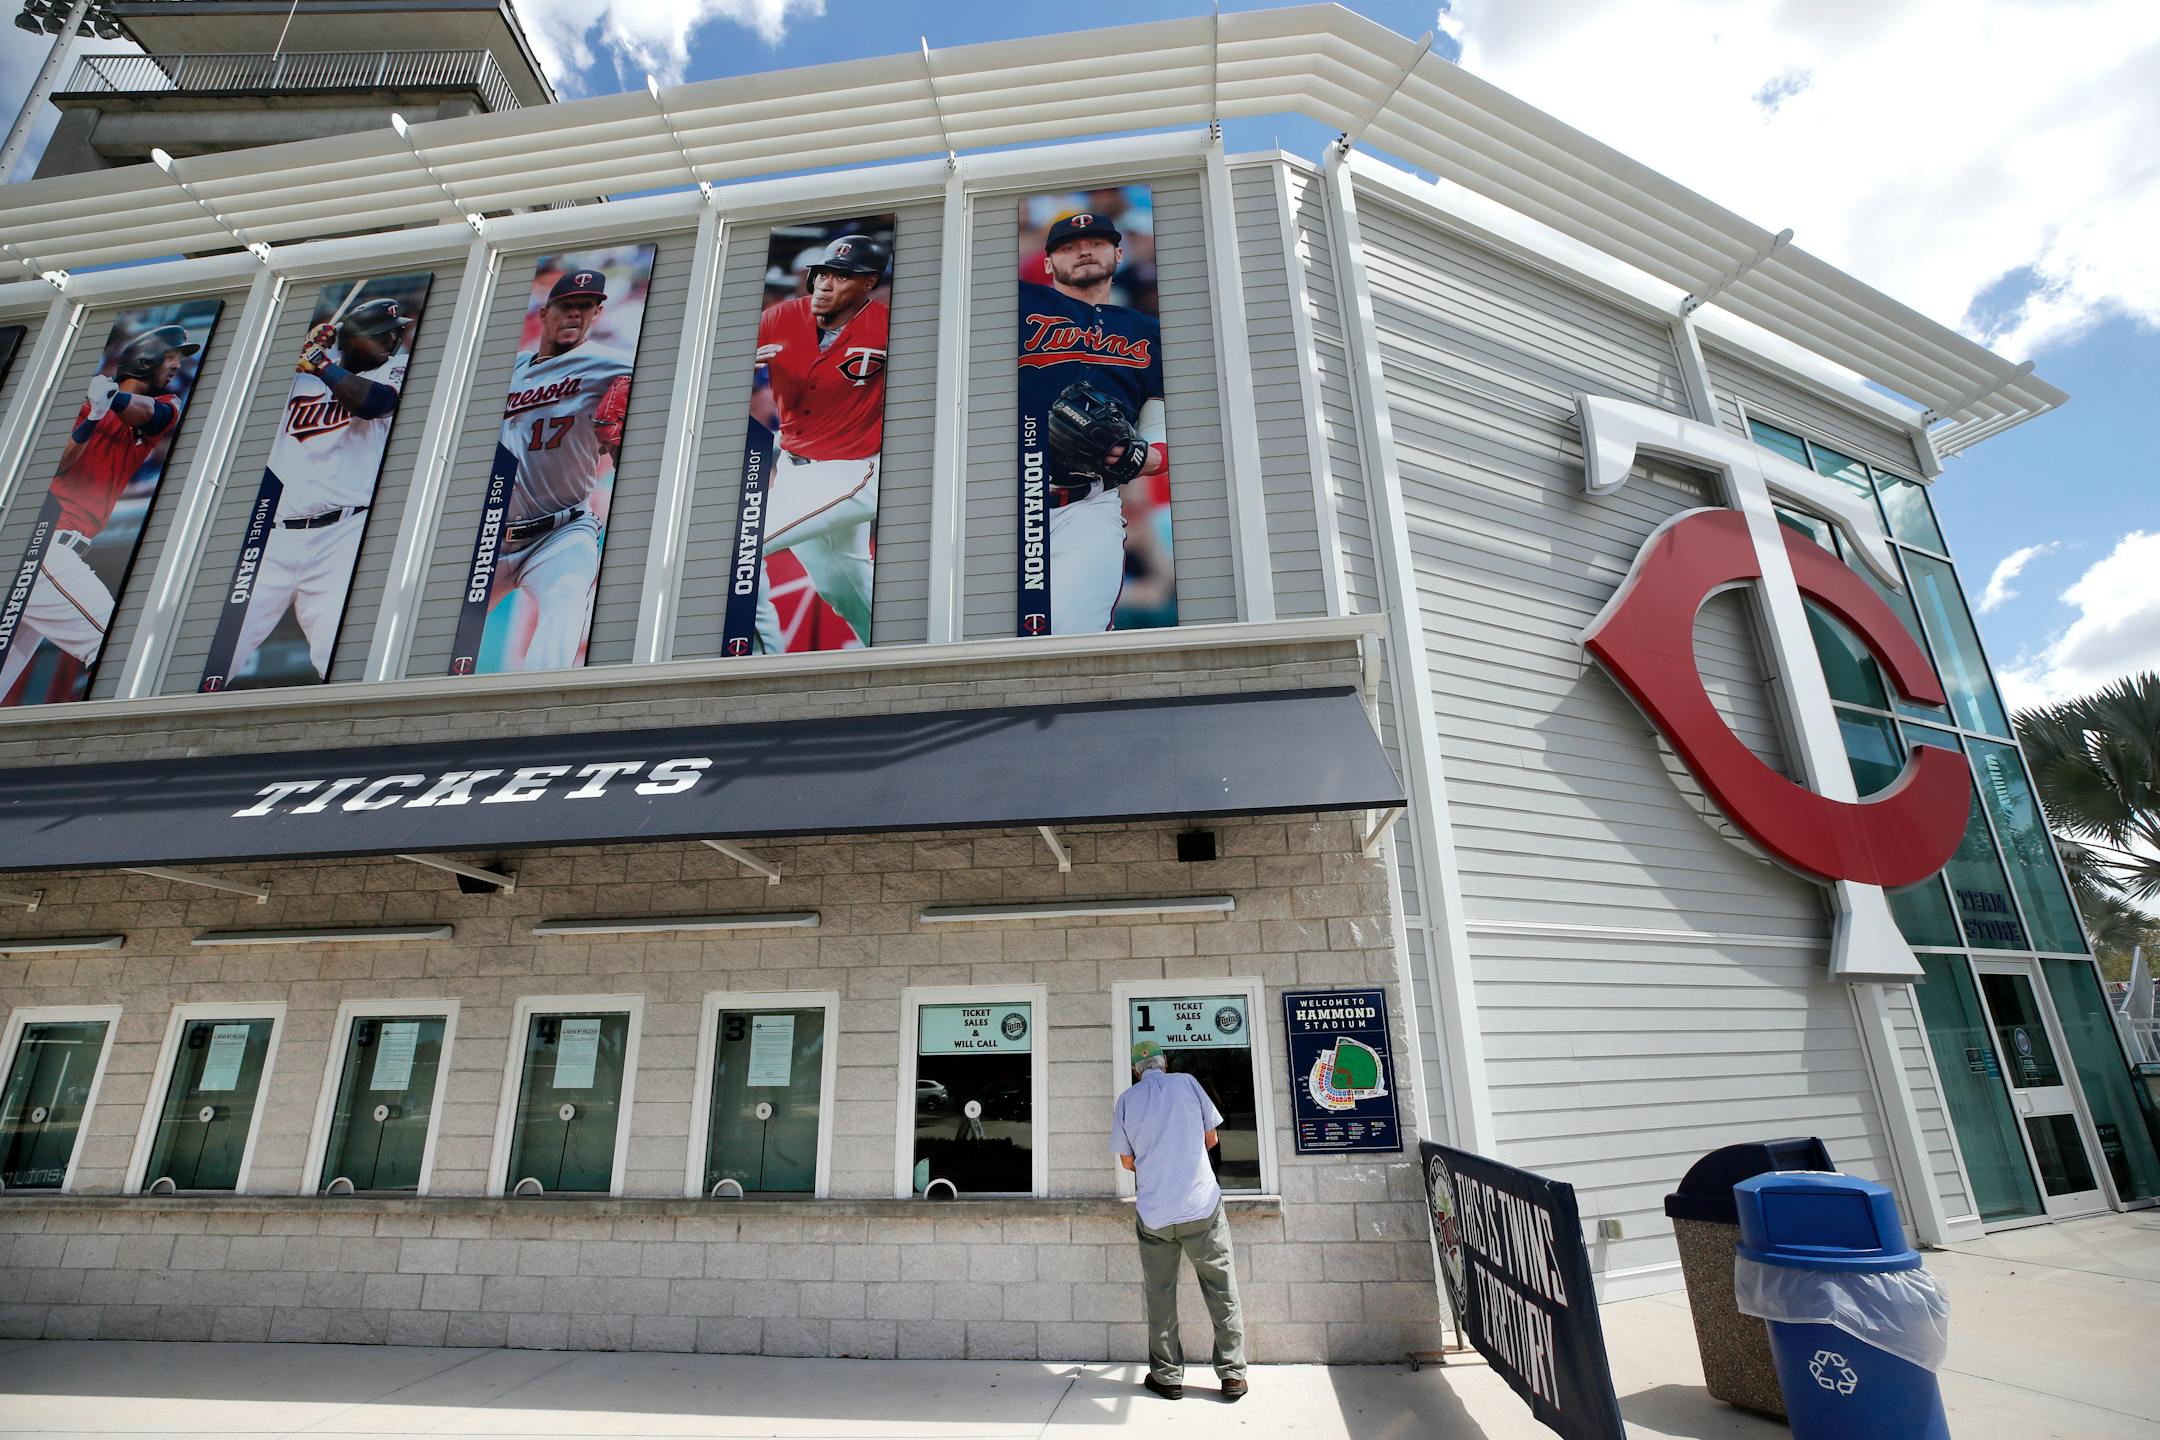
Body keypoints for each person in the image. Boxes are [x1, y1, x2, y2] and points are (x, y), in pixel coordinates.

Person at [217, 297, 412, 685]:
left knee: (337, 655)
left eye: (395, 333)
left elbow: (374, 403)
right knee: (219, 652)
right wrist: (297, 351)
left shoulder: (396, 369)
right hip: (272, 537)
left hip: (342, 534)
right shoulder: (300, 376)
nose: (390, 341)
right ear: (350, 340)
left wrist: (321, 364)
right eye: (379, 336)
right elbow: (241, 389)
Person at [0, 324, 196, 705]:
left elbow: (149, 416)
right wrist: (92, 417)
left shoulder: (167, 405)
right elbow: (56, 466)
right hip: (42, 545)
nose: (176, 365)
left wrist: (112, 402)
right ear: (146, 358)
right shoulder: (85, 405)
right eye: (171, 355)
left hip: (55, 552)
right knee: (114, 644)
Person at [1017, 211, 1167, 634]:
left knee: (1072, 635)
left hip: (1086, 503)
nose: (1083, 250)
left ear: (1119, 253)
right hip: (1001, 503)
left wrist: (1144, 456)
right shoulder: (1018, 305)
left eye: (1097, 243)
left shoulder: (1148, 331)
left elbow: (1158, 424)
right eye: (1067, 247)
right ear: (1047, 264)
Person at [481, 266, 635, 671]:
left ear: (597, 315)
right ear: (544, 314)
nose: (576, 315)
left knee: (566, 605)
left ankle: (532, 711)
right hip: (488, 537)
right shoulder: (504, 371)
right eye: (568, 306)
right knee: (437, 633)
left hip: (562, 529)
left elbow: (683, 372)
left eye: (586, 307)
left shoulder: (612, 364)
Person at [749, 232, 889, 651]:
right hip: (795, 469)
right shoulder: (778, 318)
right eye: (822, 273)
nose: (826, 284)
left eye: (842, 276)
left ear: (868, 282)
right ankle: (902, 660)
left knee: (742, 545)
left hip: (855, 469)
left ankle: (759, 668)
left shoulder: (890, 326)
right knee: (846, 590)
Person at [1110, 1039, 1248, 1403]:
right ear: (1165, 1063)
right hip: (1200, 1205)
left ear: (1135, 1071)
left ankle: (1168, 1377)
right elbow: (1212, 1137)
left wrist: (1158, 1167)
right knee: (1221, 1287)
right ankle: (1232, 1374)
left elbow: (1127, 1162)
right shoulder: (1187, 1083)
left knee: (1160, 1294)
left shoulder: (1127, 1100)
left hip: (1155, 1212)